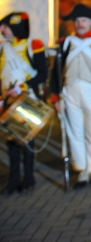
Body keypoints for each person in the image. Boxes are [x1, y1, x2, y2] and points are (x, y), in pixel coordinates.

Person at [51, 4, 91, 188]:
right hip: (69, 91)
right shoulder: (66, 43)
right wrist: (55, 96)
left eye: (83, 20)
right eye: (77, 21)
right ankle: (82, 169)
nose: (79, 23)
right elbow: (56, 71)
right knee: (74, 133)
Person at [0, 12, 48, 194]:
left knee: (27, 141)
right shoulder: (2, 48)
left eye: (5, 27)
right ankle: (13, 181)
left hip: (27, 98)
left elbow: (43, 74)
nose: (3, 31)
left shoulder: (33, 45)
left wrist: (22, 87)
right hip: (7, 100)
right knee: (11, 143)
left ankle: (29, 179)